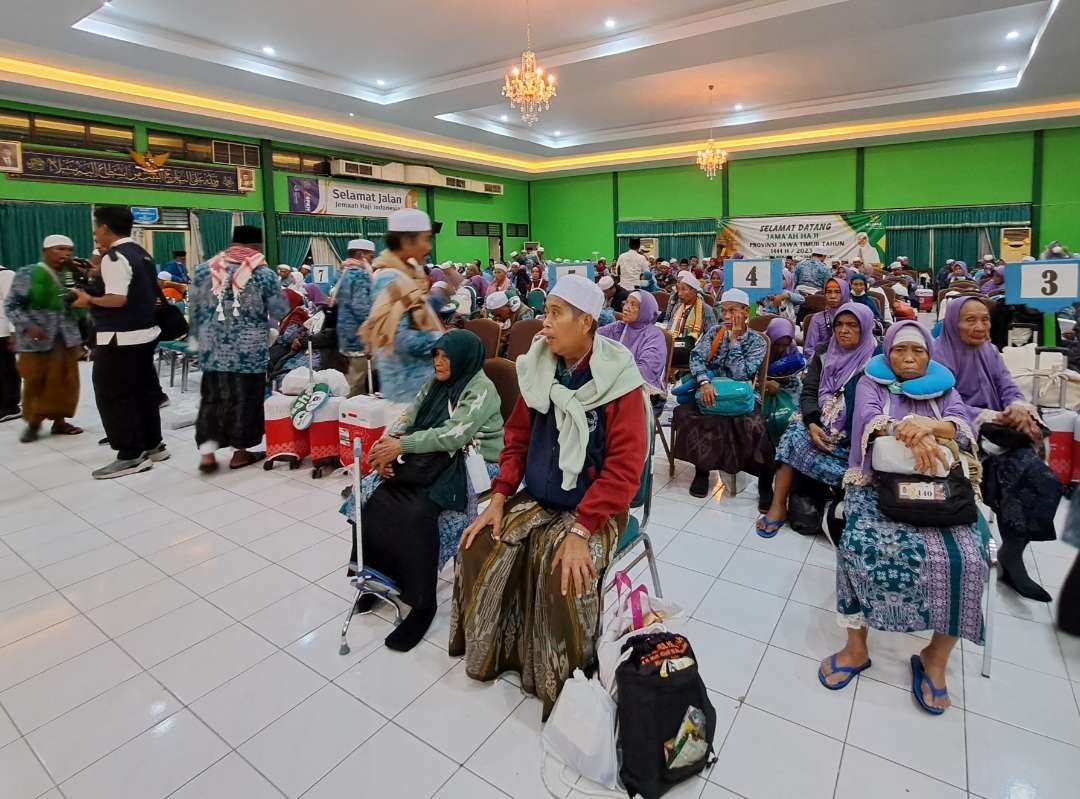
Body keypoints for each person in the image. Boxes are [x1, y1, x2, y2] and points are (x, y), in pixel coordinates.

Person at [451, 275, 648, 719]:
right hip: (540, 495)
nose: (544, 323)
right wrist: (499, 495)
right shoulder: (539, 368)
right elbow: (516, 439)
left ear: (587, 323)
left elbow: (624, 472)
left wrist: (582, 529)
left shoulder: (619, 384)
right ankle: (500, 655)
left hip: (596, 508)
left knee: (566, 573)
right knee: (480, 543)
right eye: (546, 311)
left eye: (556, 314)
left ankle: (562, 683)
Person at [821, 321, 984, 715]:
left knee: (969, 559)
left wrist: (931, 425)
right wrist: (909, 430)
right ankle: (857, 646)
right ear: (887, 352)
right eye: (900, 351)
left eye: (918, 352)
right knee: (858, 544)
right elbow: (869, 421)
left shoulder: (943, 387)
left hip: (941, 487)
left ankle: (935, 657)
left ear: (930, 355)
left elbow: (960, 425)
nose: (909, 359)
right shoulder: (871, 383)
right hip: (879, 484)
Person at [341, 329, 503, 651]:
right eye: (436, 356)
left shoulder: (481, 389)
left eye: (446, 357)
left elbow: (455, 434)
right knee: (371, 492)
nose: (439, 362)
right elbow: (408, 417)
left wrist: (403, 445)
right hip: (431, 453)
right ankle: (375, 577)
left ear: (462, 358)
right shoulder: (435, 384)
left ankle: (422, 603)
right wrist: (384, 448)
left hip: (474, 460)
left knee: (419, 510)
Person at [932, 297, 1059, 601]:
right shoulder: (938, 355)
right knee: (1014, 476)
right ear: (953, 323)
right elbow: (944, 401)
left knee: (1043, 481)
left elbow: (1007, 387)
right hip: (960, 438)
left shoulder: (989, 352)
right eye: (970, 320)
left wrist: (1016, 407)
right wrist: (987, 417)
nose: (979, 327)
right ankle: (1004, 558)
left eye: (985, 320)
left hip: (999, 436)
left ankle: (1012, 552)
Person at [756, 303, 877, 535]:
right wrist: (812, 423)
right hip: (821, 427)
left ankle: (832, 493)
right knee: (792, 431)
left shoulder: (875, 360)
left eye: (852, 325)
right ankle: (778, 505)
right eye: (839, 324)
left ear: (865, 328)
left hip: (855, 442)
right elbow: (809, 393)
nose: (843, 330)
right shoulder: (825, 352)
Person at [71, 208, 168, 478]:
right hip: (144, 334)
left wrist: (88, 299)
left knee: (113, 394)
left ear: (105, 228)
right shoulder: (142, 253)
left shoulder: (115, 257)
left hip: (120, 337)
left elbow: (117, 299)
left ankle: (130, 454)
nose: (95, 232)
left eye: (96, 227)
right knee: (142, 391)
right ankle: (152, 444)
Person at [188, 225, 283, 473]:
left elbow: (194, 310)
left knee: (213, 399)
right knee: (245, 400)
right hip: (248, 352)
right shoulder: (263, 274)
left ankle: (207, 455)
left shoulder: (203, 270)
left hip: (213, 350)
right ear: (257, 246)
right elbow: (280, 310)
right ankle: (240, 454)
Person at [672, 288, 773, 497]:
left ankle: (763, 480)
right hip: (710, 390)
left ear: (746, 312)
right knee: (689, 414)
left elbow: (741, 374)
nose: (727, 316)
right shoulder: (715, 332)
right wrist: (704, 382)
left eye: (732, 311)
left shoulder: (757, 342)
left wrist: (735, 340)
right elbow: (696, 357)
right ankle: (702, 470)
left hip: (740, 395)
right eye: (724, 311)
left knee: (752, 424)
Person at [4, 235, 85, 442]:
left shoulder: (69, 275)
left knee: (67, 382)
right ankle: (33, 423)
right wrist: (28, 326)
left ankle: (60, 422)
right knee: (35, 382)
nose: (66, 254)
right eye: (60, 249)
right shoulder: (28, 273)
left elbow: (77, 303)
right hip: (36, 341)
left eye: (69, 249)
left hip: (66, 338)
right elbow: (12, 306)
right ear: (45, 251)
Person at [361, 208, 444, 409]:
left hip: (416, 388)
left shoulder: (403, 275)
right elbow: (398, 339)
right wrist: (444, 339)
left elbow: (415, 314)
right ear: (407, 241)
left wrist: (443, 294)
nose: (429, 246)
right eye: (426, 239)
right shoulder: (389, 279)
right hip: (408, 391)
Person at [598, 290, 666, 411]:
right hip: (616, 386)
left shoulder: (654, 336)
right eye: (626, 303)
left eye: (633, 305)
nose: (627, 308)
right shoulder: (619, 327)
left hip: (644, 393)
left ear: (645, 310)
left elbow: (645, 372)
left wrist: (610, 370)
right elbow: (592, 338)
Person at [336, 239, 375, 395]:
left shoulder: (343, 273)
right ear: (361, 254)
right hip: (358, 335)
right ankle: (349, 414)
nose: (372, 260)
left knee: (352, 376)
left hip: (345, 334)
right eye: (371, 256)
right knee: (356, 381)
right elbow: (361, 307)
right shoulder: (360, 274)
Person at [662, 272, 715, 366]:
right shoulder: (677, 307)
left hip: (695, 350)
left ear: (694, 291)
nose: (679, 294)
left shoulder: (706, 309)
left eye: (684, 289)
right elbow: (670, 328)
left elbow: (712, 337)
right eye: (678, 290)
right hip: (676, 346)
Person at [803, 277, 850, 356]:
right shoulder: (817, 318)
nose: (832, 296)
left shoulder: (854, 317)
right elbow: (809, 350)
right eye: (828, 292)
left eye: (837, 292)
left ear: (845, 293)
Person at [484, 290, 533, 356]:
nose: (497, 318)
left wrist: (503, 338)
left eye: (499, 315)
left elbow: (521, 339)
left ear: (508, 306)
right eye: (495, 316)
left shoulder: (524, 313)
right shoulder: (495, 313)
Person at [0, 264, 19, 422]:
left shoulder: (5, 275)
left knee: (6, 369)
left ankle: (11, 406)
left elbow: (13, 306)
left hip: (4, 332)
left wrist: (14, 333)